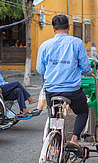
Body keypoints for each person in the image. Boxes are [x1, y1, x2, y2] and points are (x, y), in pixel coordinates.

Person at [36, 14, 93, 155]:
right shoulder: (77, 43)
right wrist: (86, 72)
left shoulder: (45, 45)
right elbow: (86, 67)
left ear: (53, 29)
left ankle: (54, 146)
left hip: (52, 90)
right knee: (82, 111)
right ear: (69, 27)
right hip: (72, 90)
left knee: (54, 117)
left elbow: (40, 69)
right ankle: (74, 139)